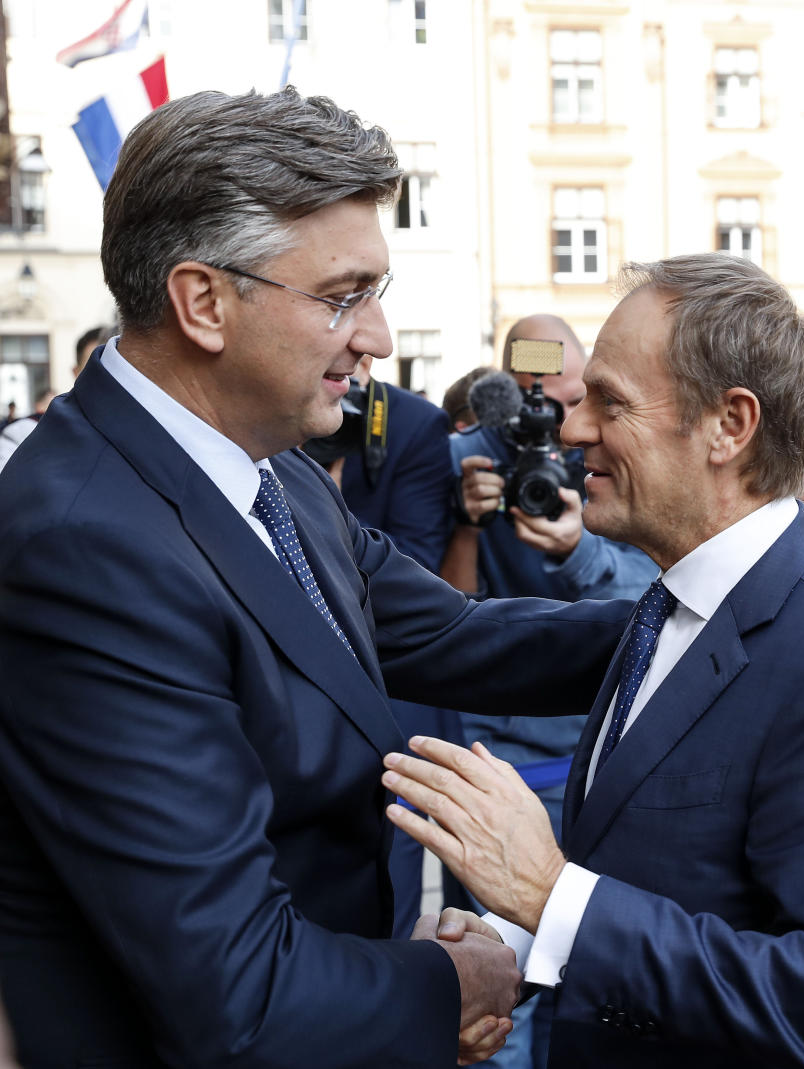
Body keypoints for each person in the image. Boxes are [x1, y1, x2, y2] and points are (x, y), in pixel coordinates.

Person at [0, 87, 634, 1068]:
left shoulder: (271, 469)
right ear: (203, 300)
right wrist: (451, 982)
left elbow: (458, 640)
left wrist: (706, 625)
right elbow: (236, 991)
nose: (377, 338)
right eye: (344, 295)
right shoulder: (86, 545)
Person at [383, 253, 804, 1069]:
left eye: (610, 402)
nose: (572, 430)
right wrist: (508, 943)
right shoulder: (673, 602)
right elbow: (656, 875)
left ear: (729, 425)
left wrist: (549, 893)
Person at [441, 315, 658, 1069]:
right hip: (503, 761)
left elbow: (662, 599)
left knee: (597, 973)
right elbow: (441, 626)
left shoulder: (614, 457)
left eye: (575, 399)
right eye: (539, 403)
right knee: (502, 991)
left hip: (602, 760)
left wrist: (579, 549)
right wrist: (466, 522)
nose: (562, 425)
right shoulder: (463, 458)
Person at [318, 352, 465, 938]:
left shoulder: (409, 423)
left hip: (386, 679)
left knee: (397, 852)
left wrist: (328, 505)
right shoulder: (264, 424)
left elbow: (416, 565)